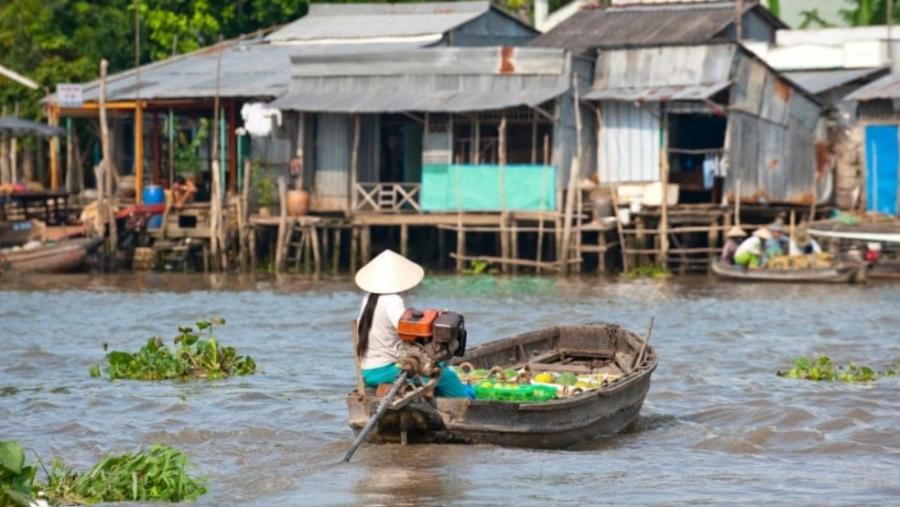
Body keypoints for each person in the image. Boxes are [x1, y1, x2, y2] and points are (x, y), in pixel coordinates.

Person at [355, 249, 473, 398]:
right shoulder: (392, 299)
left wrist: (431, 315)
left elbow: (404, 320)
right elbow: (407, 329)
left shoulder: (369, 298)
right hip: (384, 371)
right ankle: (465, 405)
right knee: (445, 375)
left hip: (368, 370)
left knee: (434, 368)